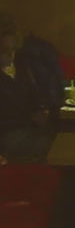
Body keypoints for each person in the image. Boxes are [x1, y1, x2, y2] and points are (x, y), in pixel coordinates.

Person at [0, 12, 63, 163]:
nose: (10, 55)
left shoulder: (21, 64)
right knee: (64, 150)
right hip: (8, 137)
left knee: (74, 142)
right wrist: (30, 119)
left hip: (32, 130)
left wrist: (43, 110)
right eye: (5, 51)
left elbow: (34, 96)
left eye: (12, 50)